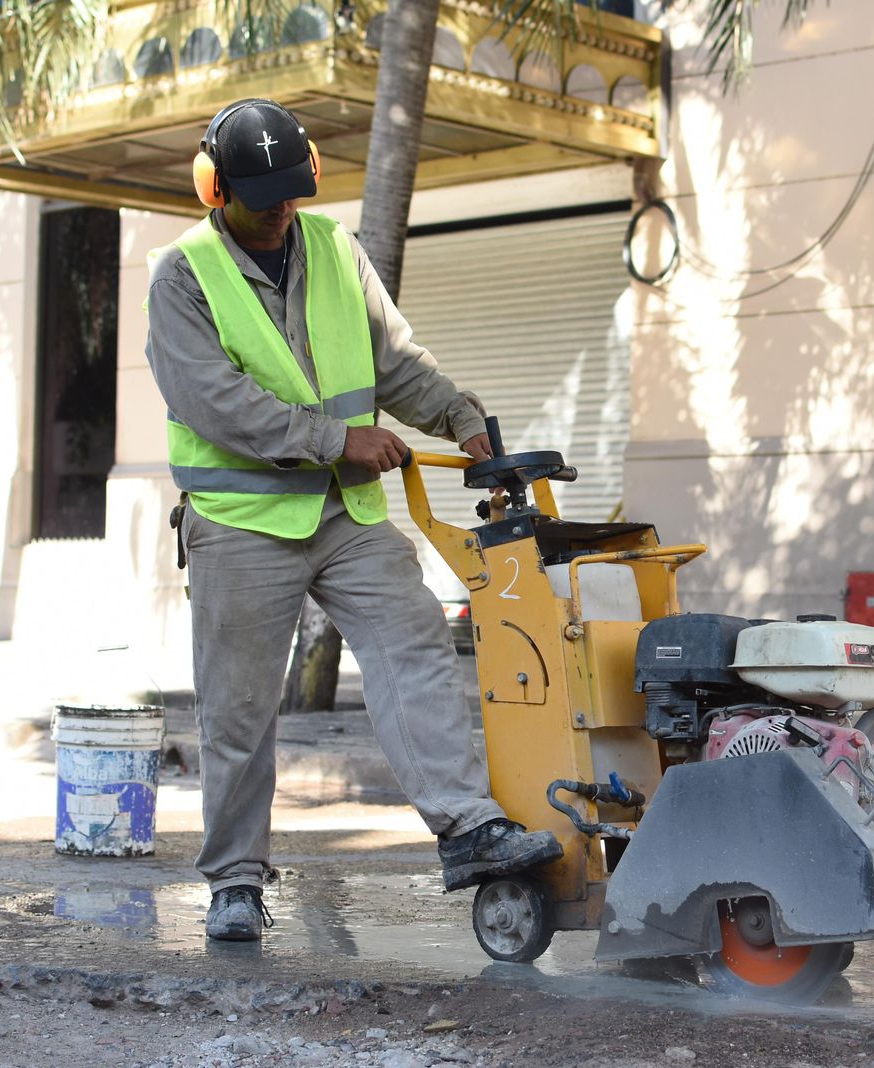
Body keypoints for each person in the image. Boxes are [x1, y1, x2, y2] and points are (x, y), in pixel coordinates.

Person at [144, 98, 561, 941]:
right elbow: (216, 401)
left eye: (292, 194)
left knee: (416, 643)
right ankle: (235, 881)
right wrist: (338, 441)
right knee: (237, 712)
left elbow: (393, 362)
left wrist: (458, 415)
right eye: (262, 199)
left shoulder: (335, 249)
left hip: (343, 515)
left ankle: (467, 827)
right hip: (242, 520)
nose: (281, 212)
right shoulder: (182, 275)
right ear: (215, 189)